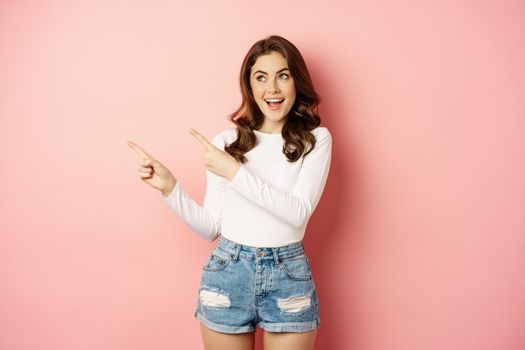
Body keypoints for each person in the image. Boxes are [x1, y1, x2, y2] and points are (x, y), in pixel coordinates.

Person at [127, 35, 332, 350]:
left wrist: (234, 172)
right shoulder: (227, 142)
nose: (272, 89)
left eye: (283, 76)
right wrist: (171, 189)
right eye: (261, 78)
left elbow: (297, 212)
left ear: (297, 82)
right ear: (249, 87)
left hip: (288, 277)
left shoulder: (316, 140)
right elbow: (212, 228)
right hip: (228, 270)